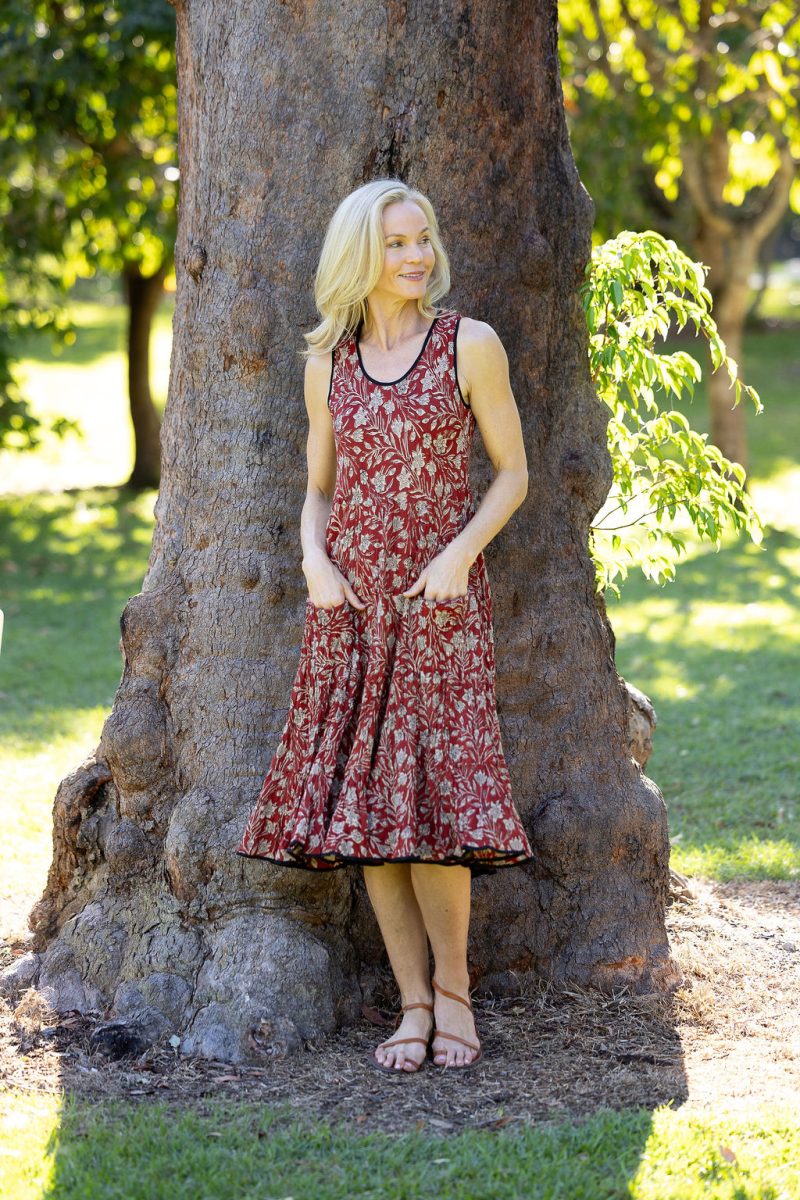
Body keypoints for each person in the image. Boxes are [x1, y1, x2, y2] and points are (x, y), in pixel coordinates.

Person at [237, 178, 535, 1073]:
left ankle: (456, 997)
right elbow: (318, 487)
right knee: (372, 814)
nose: (418, 256)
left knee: (438, 808)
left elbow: (512, 473)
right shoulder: (328, 359)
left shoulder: (469, 345)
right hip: (352, 611)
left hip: (439, 609)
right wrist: (313, 564)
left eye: (424, 240)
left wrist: (457, 557)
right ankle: (410, 1005)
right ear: (362, 257)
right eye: (400, 243)